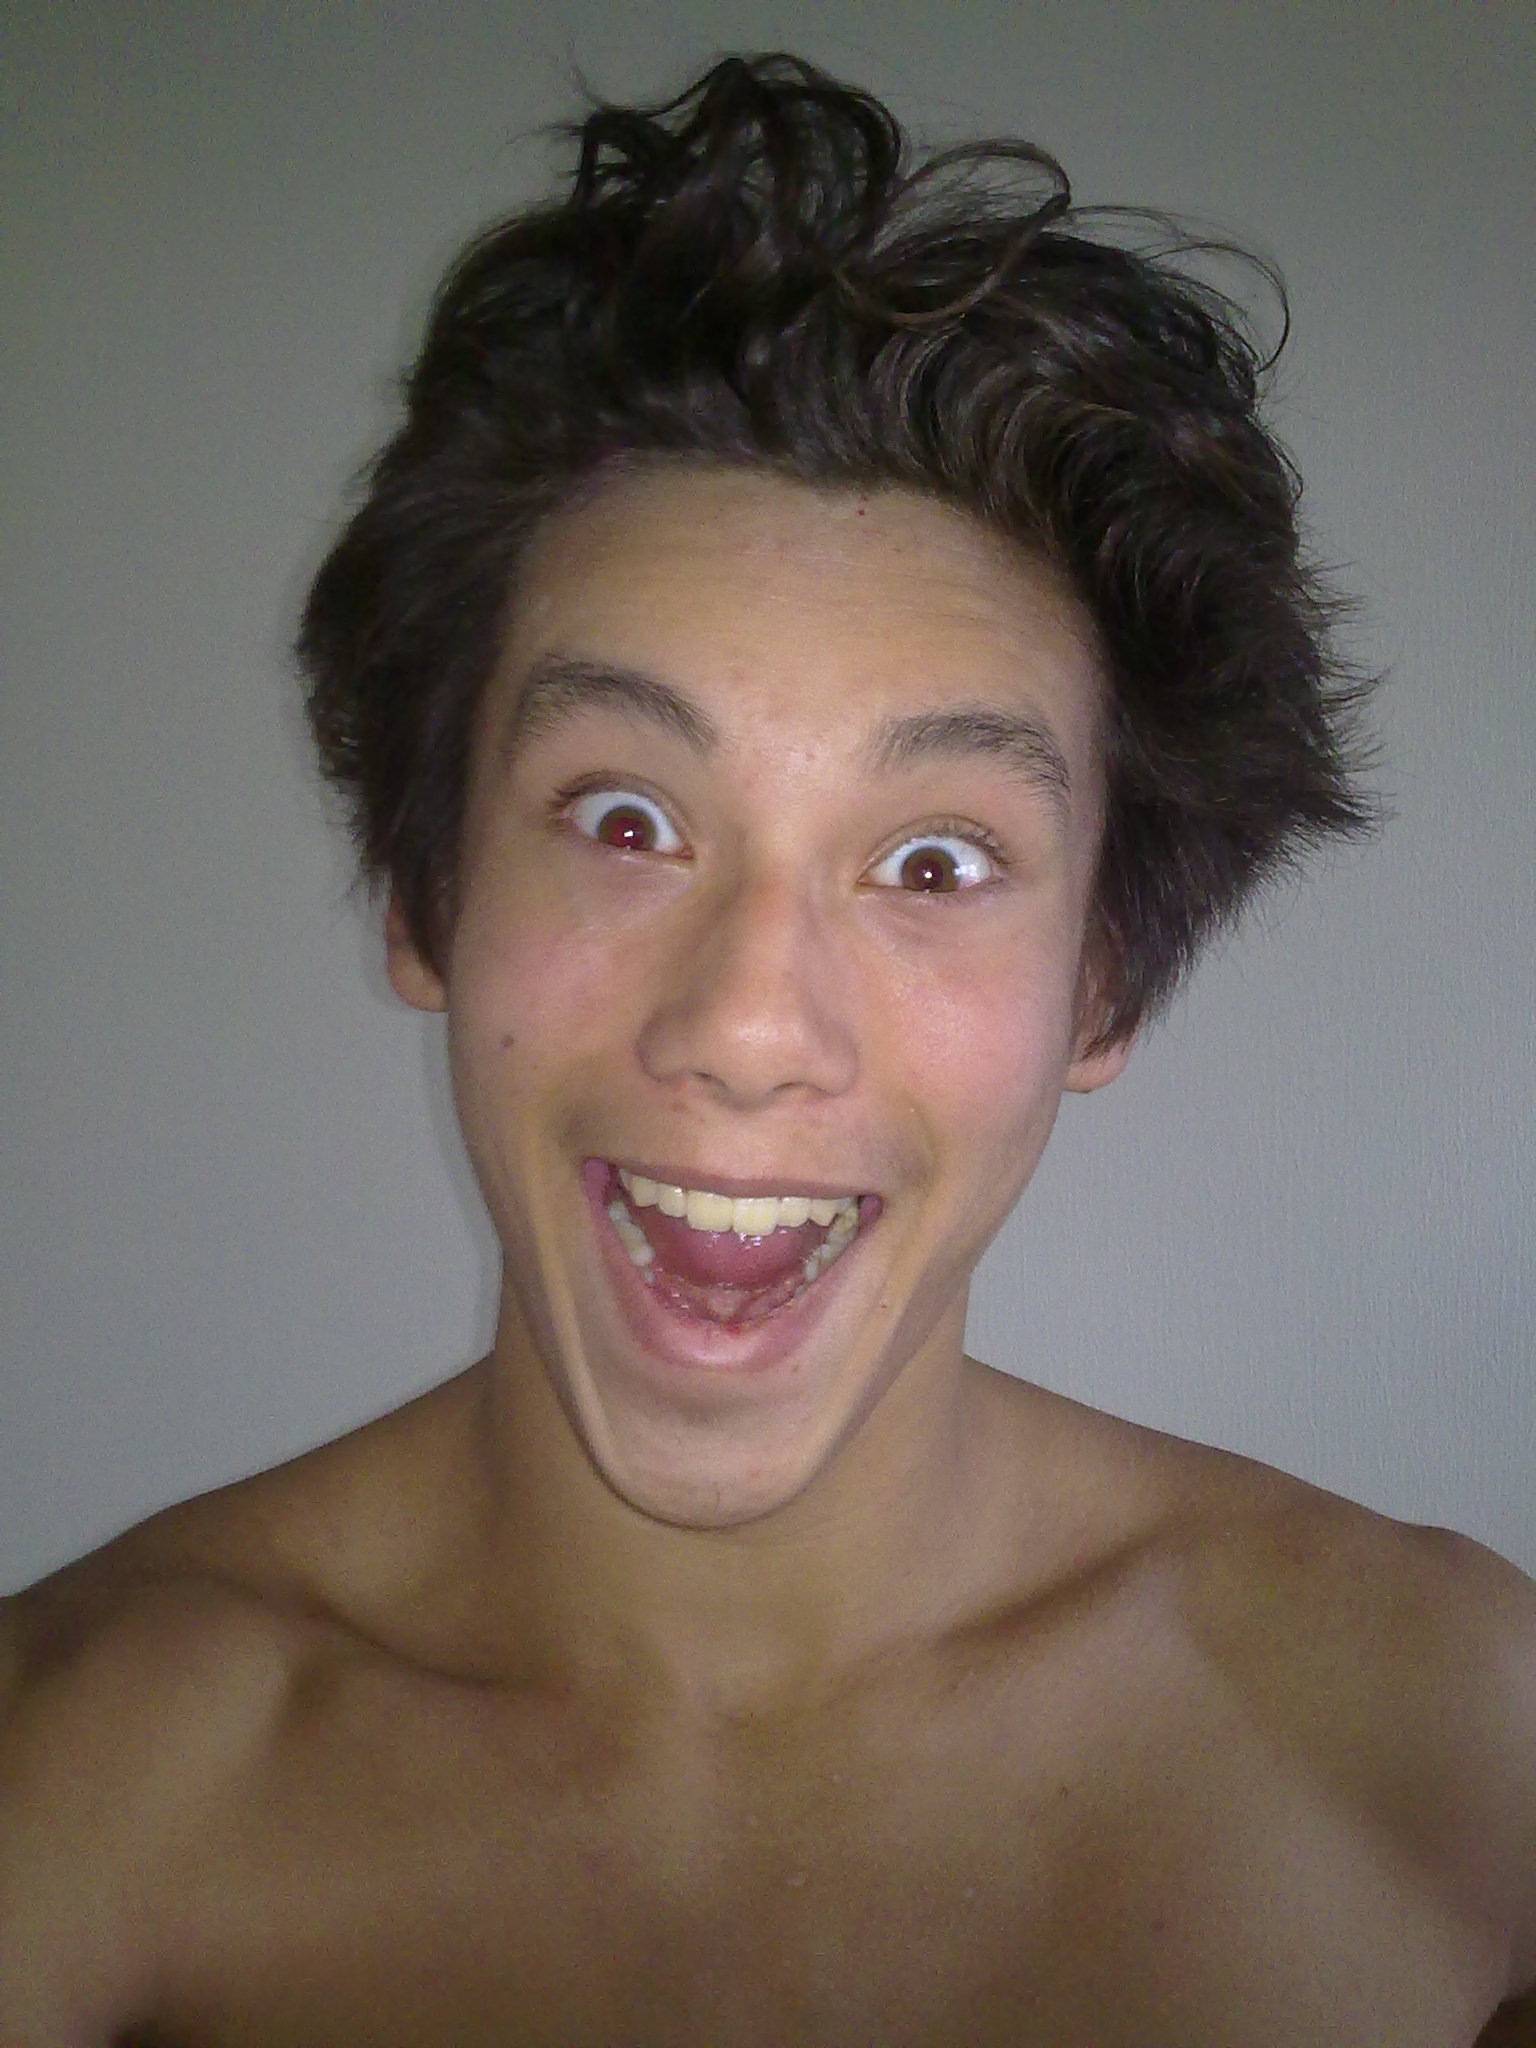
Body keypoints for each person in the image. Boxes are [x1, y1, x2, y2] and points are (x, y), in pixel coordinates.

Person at [2, 52, 1532, 2046]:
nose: (743, 1024)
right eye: (626, 817)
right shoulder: (67, 1797)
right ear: (423, 896)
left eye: (933, 860)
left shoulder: (1458, 1746)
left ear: (1101, 989)